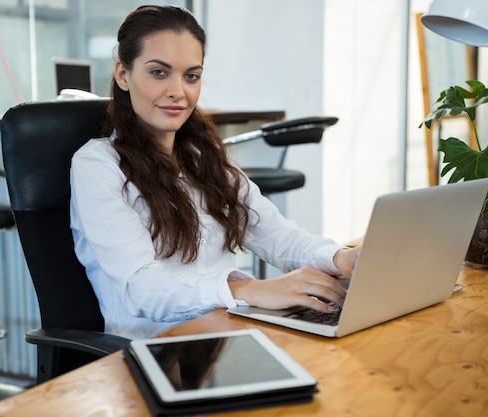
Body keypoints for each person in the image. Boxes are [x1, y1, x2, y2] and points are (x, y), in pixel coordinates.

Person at [69, 5, 360, 340]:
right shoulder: (98, 166)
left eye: (191, 76)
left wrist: (341, 258)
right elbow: (141, 289)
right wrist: (249, 290)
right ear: (123, 75)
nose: (179, 91)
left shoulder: (201, 157)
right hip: (155, 353)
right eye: (159, 73)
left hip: (227, 334)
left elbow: (277, 235)